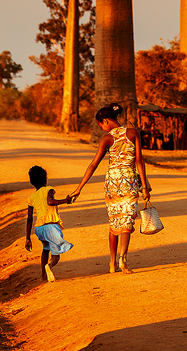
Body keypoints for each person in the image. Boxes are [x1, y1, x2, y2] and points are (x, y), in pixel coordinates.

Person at [70, 103, 151, 274]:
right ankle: (123, 259)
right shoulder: (133, 133)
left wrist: (79, 188)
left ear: (106, 121)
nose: (102, 129)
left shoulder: (107, 139)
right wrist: (144, 187)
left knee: (114, 222)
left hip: (112, 184)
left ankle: (112, 262)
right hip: (129, 181)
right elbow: (139, 161)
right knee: (127, 221)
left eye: (101, 125)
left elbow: (93, 165)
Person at [24, 165, 74, 283]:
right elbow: (50, 202)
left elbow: (29, 219)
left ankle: (43, 276)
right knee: (56, 255)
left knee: (45, 249)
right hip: (51, 227)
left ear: (31, 182)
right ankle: (49, 266)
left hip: (39, 229)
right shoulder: (49, 190)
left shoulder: (31, 198)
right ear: (45, 179)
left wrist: (27, 238)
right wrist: (65, 201)